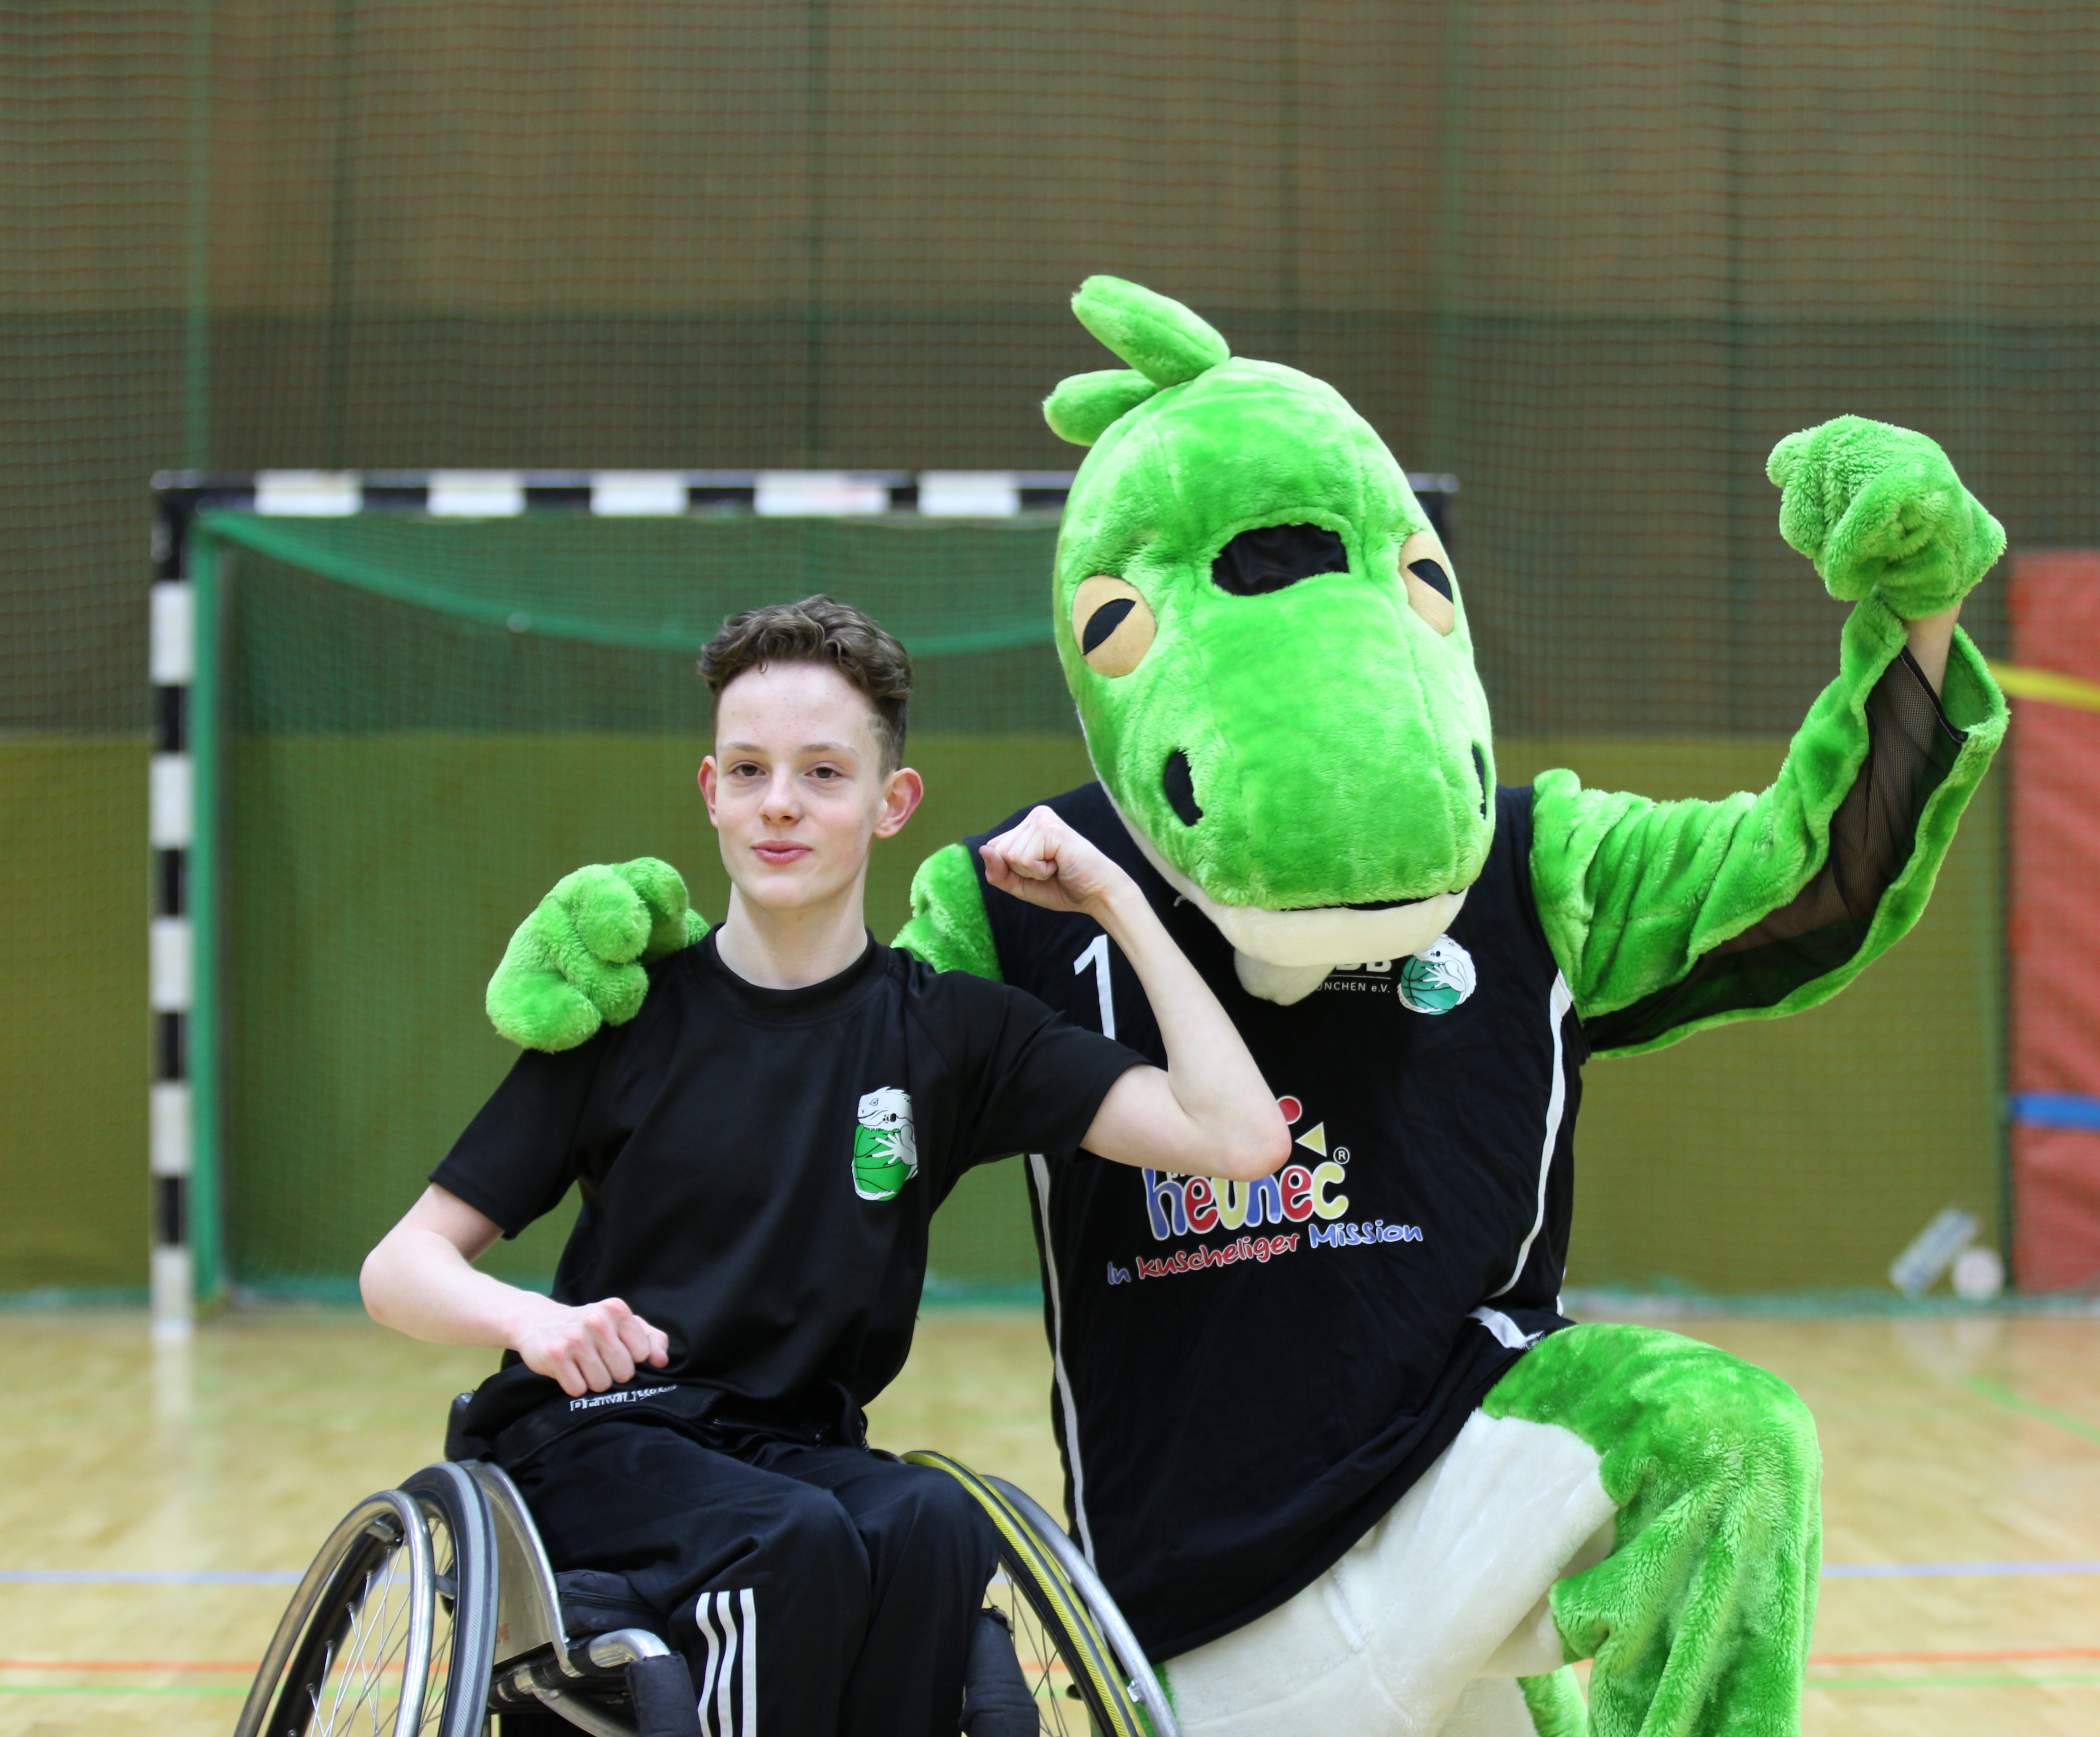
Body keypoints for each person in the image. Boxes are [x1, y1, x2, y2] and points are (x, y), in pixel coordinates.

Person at [474, 279, 2009, 1737]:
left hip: (1459, 1512)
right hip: (1194, 1600)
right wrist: (664, 980)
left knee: (1718, 1442)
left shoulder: (1541, 865)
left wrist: (1916, 616)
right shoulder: (1013, 898)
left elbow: (1810, 871)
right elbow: (803, 1045)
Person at [360, 595, 1288, 1737]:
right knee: (790, 1541)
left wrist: (1115, 899)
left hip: (796, 1455)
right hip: (602, 1444)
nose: (780, 805)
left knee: (936, 1522)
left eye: (822, 774)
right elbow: (400, 1267)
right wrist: (535, 1324)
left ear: (893, 803)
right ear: (711, 792)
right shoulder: (630, 1019)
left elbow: (1239, 1143)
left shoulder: (952, 1036)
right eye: (747, 771)